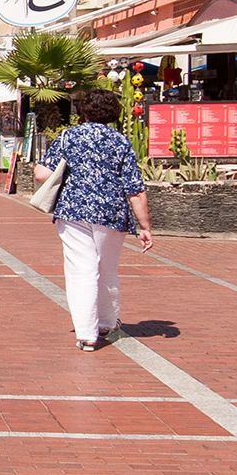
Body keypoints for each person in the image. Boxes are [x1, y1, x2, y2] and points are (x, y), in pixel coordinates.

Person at [42, 89, 153, 352]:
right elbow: (135, 189)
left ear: (84, 111)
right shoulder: (120, 142)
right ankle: (106, 321)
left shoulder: (68, 137)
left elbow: (41, 173)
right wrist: (145, 226)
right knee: (107, 268)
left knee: (81, 269)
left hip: (72, 211)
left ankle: (86, 334)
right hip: (111, 213)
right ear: (113, 112)